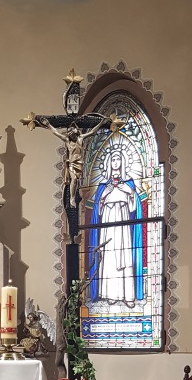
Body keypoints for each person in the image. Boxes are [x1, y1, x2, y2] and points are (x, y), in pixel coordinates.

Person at [89, 149, 144, 307]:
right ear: (109, 163)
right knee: (109, 257)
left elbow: (134, 208)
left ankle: (128, 296)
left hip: (123, 222)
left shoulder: (128, 184)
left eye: (118, 159)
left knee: (124, 256)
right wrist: (103, 197)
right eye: (113, 159)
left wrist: (130, 192)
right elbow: (98, 211)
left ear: (123, 162)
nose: (115, 162)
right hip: (108, 223)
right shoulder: (103, 186)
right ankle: (110, 294)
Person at [41, 117, 108, 208]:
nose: (72, 136)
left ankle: (75, 196)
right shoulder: (67, 141)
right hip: (72, 163)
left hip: (79, 163)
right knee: (74, 179)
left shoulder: (80, 139)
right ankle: (72, 198)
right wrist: (49, 125)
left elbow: (92, 132)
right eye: (70, 134)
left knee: (77, 181)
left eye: (73, 133)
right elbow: (56, 133)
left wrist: (101, 123)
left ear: (75, 132)